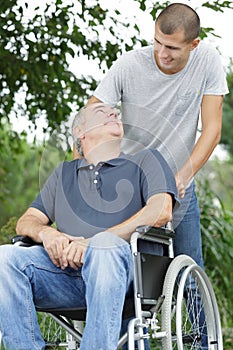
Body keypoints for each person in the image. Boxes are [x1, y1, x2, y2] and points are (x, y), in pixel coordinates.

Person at [0, 103, 178, 350]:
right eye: (101, 112)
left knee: (104, 246)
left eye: (114, 112)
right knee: (4, 257)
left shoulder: (146, 159)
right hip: (65, 278)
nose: (113, 113)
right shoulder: (63, 174)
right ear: (81, 133)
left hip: (130, 275)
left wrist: (94, 242)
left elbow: (161, 210)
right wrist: (47, 233)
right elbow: (26, 222)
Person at [84, 3, 229, 271]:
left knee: (190, 271)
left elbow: (212, 130)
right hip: (131, 184)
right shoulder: (129, 65)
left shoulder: (207, 60)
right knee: (132, 272)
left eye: (172, 48)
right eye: (157, 43)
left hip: (179, 182)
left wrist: (182, 177)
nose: (162, 53)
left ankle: (192, 312)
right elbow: (90, 119)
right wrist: (87, 178)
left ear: (193, 45)